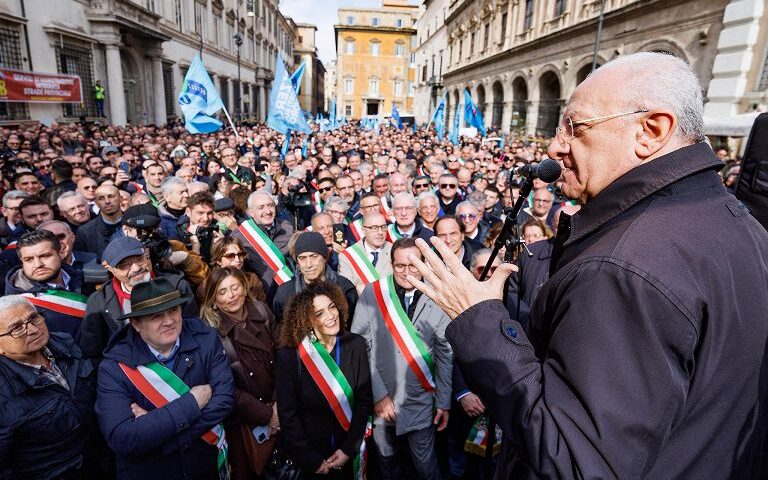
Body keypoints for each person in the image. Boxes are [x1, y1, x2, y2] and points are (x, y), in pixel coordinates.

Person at [405, 52, 768, 478]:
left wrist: (479, 320)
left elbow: (576, 461)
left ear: (651, 131)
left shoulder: (623, 267)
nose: (555, 146)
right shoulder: (740, 223)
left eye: (575, 127)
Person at [95, 277, 235, 480]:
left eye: (173, 311)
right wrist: (192, 403)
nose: (169, 321)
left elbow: (224, 399)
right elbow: (122, 437)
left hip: (204, 466)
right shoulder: (114, 368)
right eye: (156, 316)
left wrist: (165, 433)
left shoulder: (205, 339)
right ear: (136, 323)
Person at [350, 237, 452, 480]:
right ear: (391, 264)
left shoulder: (438, 294)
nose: (407, 272)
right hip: (383, 399)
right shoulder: (374, 293)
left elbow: (445, 353)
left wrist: (445, 401)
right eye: (400, 266)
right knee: (387, 464)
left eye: (414, 265)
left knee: (426, 466)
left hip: (421, 397)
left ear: (424, 263)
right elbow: (360, 347)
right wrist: (379, 396)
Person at [0, 296, 110, 479]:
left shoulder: (66, 343)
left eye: (34, 318)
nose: (33, 330)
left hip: (103, 461)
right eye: (17, 328)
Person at [276, 281, 372, 478]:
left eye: (332, 307)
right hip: (311, 460)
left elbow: (364, 401)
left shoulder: (356, 345)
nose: (330, 316)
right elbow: (288, 415)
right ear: (306, 319)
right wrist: (310, 458)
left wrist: (348, 449)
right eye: (319, 313)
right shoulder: (290, 356)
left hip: (349, 453)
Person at [200, 267, 278, 480]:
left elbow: (284, 357)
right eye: (222, 292)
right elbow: (223, 386)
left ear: (245, 288)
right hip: (242, 422)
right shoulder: (210, 333)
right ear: (213, 300)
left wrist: (278, 405)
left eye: (235, 287)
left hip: (279, 408)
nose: (231, 295)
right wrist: (266, 415)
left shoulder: (262, 311)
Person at [79, 236, 198, 360]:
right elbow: (92, 353)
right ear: (109, 268)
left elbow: (193, 332)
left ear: (147, 253)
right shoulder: (99, 302)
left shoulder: (176, 286)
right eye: (124, 265)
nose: (136, 268)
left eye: (139, 259)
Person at [5, 230, 85, 338]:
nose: (38, 264)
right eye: (29, 259)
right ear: (21, 261)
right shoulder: (16, 304)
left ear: (61, 252)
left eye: (45, 256)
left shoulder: (85, 280)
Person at [272, 231, 358, 322]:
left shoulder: (344, 288)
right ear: (297, 262)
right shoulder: (285, 292)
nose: (308, 264)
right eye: (302, 258)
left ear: (324, 258)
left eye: (314, 256)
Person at [338, 211, 393, 295]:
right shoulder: (347, 256)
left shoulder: (395, 251)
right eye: (374, 228)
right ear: (363, 230)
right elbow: (347, 292)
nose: (380, 232)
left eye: (383, 227)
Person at [73, 183, 123, 258]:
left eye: (111, 196)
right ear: (96, 203)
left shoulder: (135, 223)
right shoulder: (85, 232)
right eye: (101, 198)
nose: (107, 201)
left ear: (121, 199)